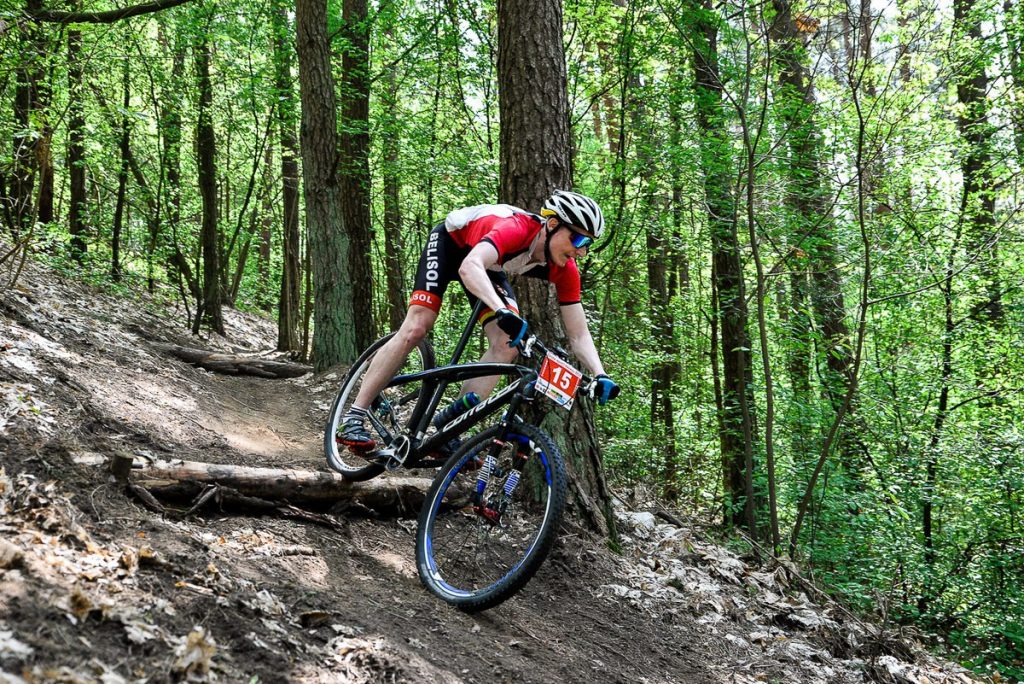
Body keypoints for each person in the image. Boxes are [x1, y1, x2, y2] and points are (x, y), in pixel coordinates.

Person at [338, 189, 620, 452]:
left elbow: (579, 334)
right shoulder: (516, 229)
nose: (581, 251)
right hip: (452, 245)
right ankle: (354, 415)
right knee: (416, 327)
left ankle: (448, 431)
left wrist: (600, 374)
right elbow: (469, 266)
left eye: (587, 244)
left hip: (488, 263)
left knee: (508, 345)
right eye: (578, 239)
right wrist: (502, 310)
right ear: (552, 225)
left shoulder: (565, 269)